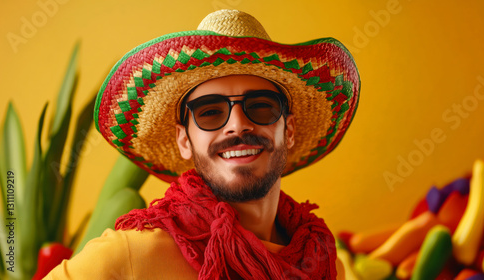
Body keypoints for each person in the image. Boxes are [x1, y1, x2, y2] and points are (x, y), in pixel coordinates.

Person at [46, 9, 360, 279]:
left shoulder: (323, 262)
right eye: (210, 112)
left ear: (288, 130)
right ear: (185, 140)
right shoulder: (131, 255)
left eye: (262, 106)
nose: (237, 125)